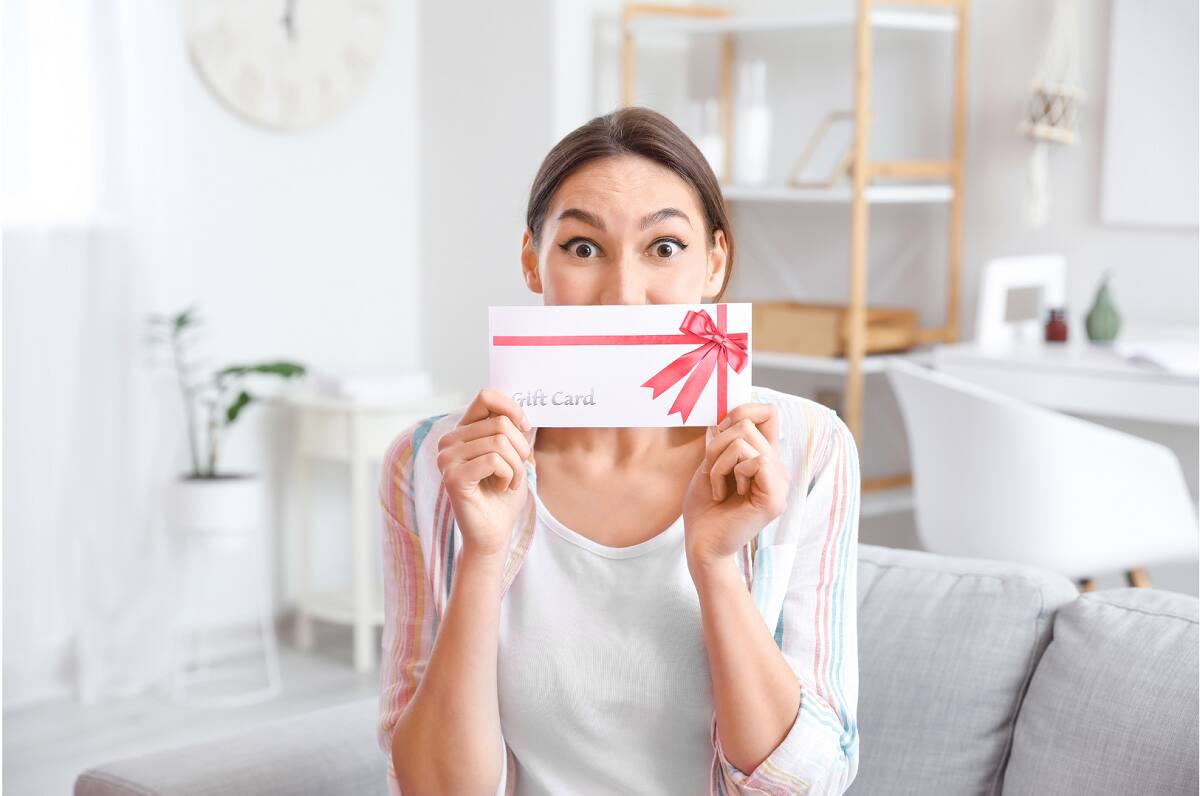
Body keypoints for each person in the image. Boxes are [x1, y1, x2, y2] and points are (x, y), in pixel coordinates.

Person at [377, 106, 860, 796]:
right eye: (582, 248)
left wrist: (716, 566)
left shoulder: (807, 449)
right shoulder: (429, 465)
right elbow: (431, 789)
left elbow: (806, 783)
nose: (623, 296)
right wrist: (481, 554)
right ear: (531, 261)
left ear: (715, 262)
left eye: (664, 247)